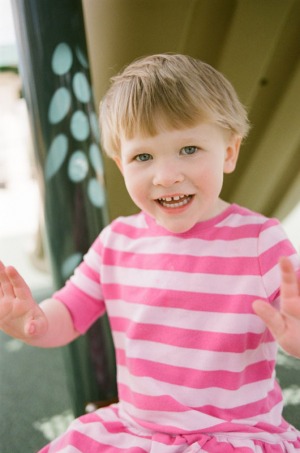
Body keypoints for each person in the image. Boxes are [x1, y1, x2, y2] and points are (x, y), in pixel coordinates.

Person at [0, 53, 300, 452]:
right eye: (143, 157)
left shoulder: (261, 240)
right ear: (120, 165)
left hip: (235, 435)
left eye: (189, 149)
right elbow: (69, 314)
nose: (166, 175)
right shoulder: (116, 242)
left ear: (229, 152)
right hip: (138, 430)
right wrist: (33, 323)